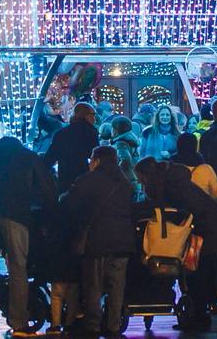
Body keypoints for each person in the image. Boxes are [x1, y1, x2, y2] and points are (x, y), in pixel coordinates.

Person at [0, 134, 54, 339]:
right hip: (17, 216)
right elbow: (47, 190)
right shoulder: (29, 158)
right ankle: (19, 323)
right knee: (18, 268)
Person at [140, 157, 217, 329]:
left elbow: (188, 209)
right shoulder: (175, 180)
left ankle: (199, 316)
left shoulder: (173, 186)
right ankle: (201, 313)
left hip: (208, 230)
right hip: (212, 225)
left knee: (197, 273)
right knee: (201, 271)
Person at [64, 145, 138, 339]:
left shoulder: (87, 181)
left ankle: (93, 325)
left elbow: (70, 204)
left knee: (93, 286)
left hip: (97, 241)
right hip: (123, 241)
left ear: (97, 160)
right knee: (117, 286)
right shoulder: (125, 183)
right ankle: (113, 324)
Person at [45, 102, 99, 191]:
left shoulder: (61, 133)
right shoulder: (90, 133)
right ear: (84, 115)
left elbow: (50, 157)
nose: (95, 118)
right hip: (84, 177)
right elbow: (95, 156)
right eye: (93, 114)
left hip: (65, 177)